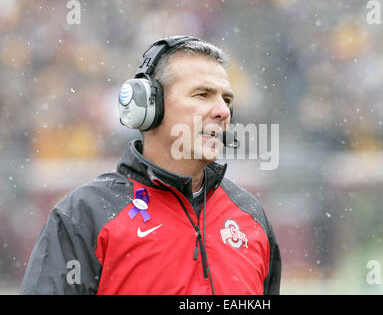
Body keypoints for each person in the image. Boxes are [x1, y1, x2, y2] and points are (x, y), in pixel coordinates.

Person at [20, 36, 281, 295]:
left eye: (227, 100)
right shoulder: (84, 215)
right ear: (149, 104)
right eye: (202, 94)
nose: (223, 111)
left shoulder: (250, 215)